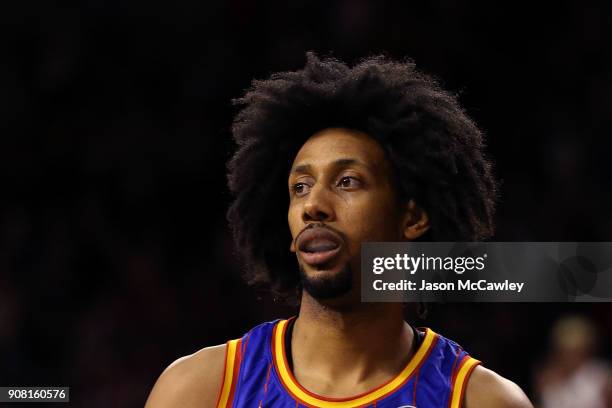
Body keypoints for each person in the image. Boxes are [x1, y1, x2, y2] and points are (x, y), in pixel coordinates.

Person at [145, 53, 532, 407]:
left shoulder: (480, 399)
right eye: (300, 187)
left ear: (412, 219)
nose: (313, 205)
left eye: (347, 181)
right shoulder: (200, 389)